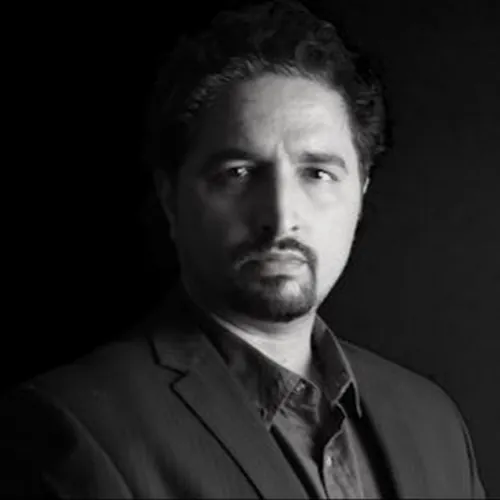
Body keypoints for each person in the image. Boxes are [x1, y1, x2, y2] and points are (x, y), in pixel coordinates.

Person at [0, 1, 486, 498]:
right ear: (170, 198)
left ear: (360, 193)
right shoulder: (76, 428)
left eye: (317, 173)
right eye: (238, 173)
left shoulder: (434, 421)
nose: (281, 215)